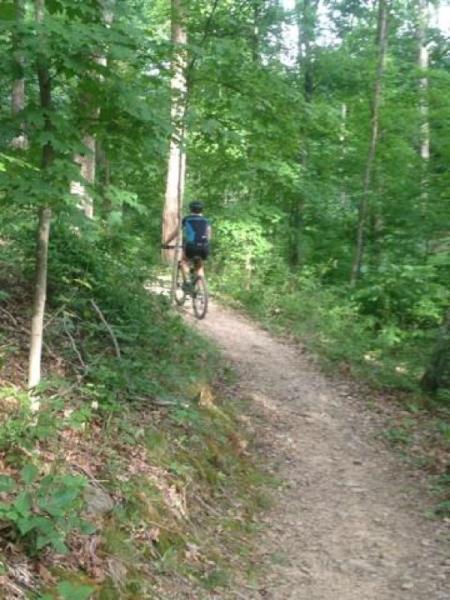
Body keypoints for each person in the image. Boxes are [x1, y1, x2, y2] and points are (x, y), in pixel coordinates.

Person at [181, 201, 211, 279]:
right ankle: (202, 287)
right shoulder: (206, 220)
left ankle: (187, 281)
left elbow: (177, 232)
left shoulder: (186, 219)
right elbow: (208, 235)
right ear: (202, 210)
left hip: (191, 246)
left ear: (190, 209)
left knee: (184, 261)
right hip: (204, 247)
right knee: (199, 264)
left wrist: (166, 242)